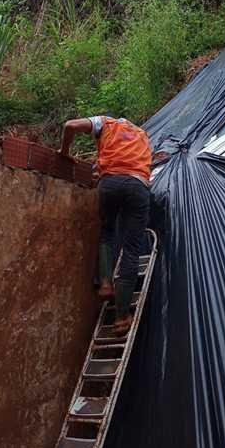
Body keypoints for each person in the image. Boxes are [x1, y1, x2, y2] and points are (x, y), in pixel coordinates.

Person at [58, 114, 151, 337]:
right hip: (138, 185)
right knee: (131, 249)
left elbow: (70, 125)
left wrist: (64, 153)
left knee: (108, 232)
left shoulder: (106, 123)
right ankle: (121, 317)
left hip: (110, 183)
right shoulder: (141, 134)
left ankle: (106, 283)